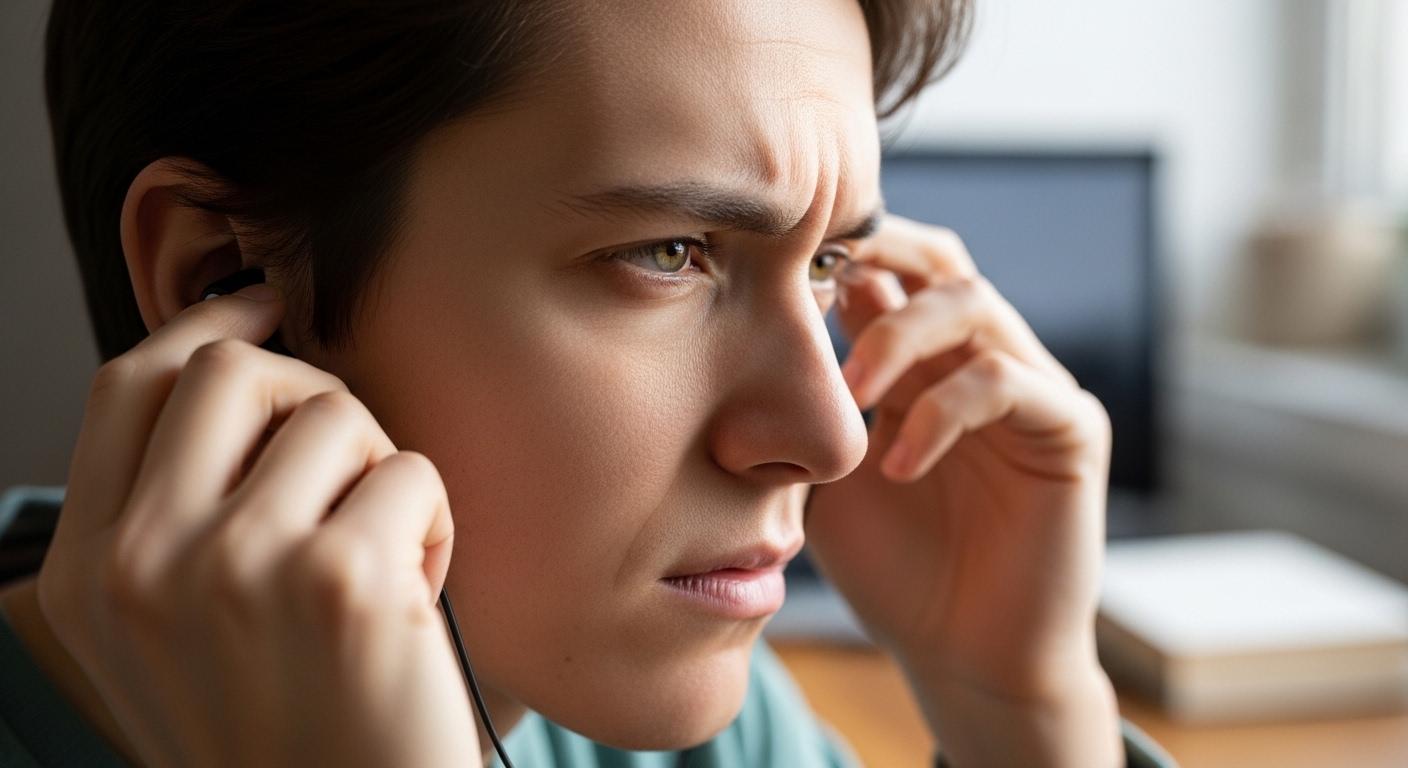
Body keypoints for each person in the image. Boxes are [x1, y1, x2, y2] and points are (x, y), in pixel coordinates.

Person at [0, 0, 1178, 765]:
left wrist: (1019, 707)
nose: (833, 436)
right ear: (222, 280)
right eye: (669, 253)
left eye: (825, 262)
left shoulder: (660, 714)